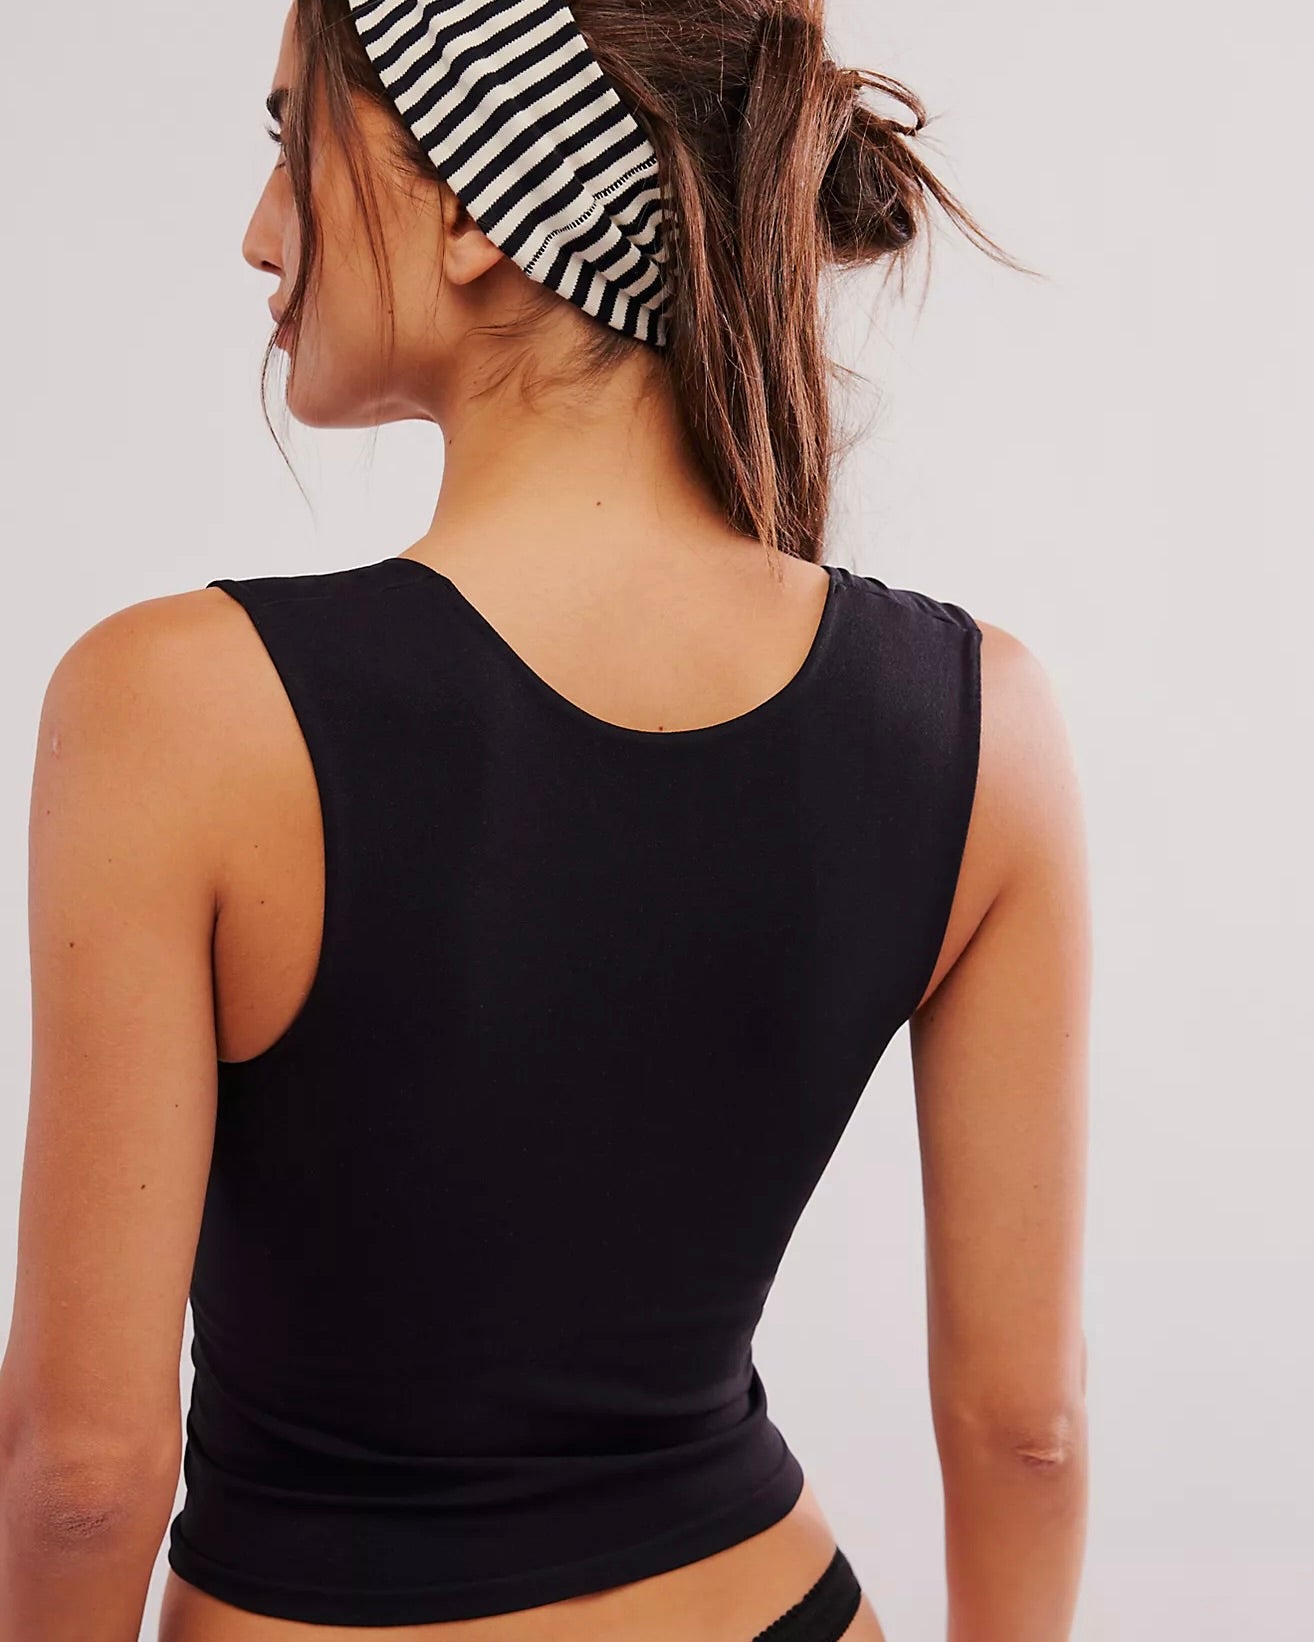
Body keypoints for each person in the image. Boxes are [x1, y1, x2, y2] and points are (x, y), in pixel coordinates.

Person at [0, 2, 1091, 1639]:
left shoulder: (178, 704)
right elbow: (1027, 1428)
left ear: (461, 204)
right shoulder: (980, 716)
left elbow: (82, 1470)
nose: (256, 229)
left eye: (293, 138)